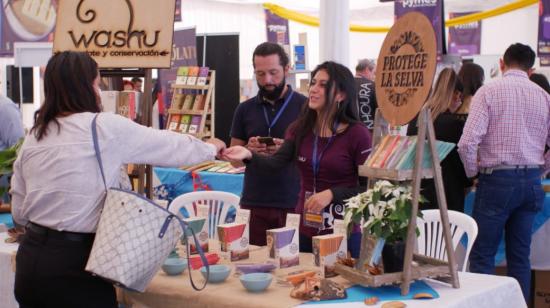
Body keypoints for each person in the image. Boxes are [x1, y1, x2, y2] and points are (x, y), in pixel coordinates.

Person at [10, 51, 226, 307]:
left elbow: (19, 212)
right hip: (77, 264)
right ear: (86, 86)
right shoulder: (103, 127)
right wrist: (211, 147)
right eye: (96, 82)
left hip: (32, 260)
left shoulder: (35, 136)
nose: (99, 89)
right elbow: (168, 145)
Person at [224, 61, 372, 256]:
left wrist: (332, 194)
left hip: (342, 232)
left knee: (340, 285)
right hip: (304, 230)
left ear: (341, 94)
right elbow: (275, 164)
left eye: (323, 85)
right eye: (313, 83)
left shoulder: (358, 135)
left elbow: (369, 189)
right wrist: (248, 155)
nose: (314, 89)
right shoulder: (299, 129)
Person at [458, 43, 550, 301]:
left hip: (496, 180)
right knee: (521, 255)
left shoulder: (488, 92)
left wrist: (472, 171)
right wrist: (541, 169)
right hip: (531, 182)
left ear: (501, 63)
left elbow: (467, 143)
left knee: (483, 254)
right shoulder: (544, 96)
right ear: (531, 70)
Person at [229, 42, 306, 246]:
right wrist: (247, 151)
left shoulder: (306, 107)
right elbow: (234, 163)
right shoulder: (244, 110)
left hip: (293, 201)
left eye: (273, 72)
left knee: (292, 267)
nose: (267, 80)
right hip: (254, 202)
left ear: (287, 69)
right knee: (251, 263)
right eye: (260, 74)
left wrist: (288, 150)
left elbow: (317, 158)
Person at [407, 68, 469, 212]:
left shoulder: (416, 119)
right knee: (446, 233)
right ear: (456, 95)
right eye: (459, 98)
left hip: (419, 190)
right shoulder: (453, 123)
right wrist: (471, 178)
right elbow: (458, 162)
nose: (459, 102)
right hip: (446, 192)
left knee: (423, 233)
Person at [354, 59, 377, 130]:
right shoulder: (373, 86)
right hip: (368, 131)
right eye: (373, 73)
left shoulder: (346, 84)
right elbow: (380, 110)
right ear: (367, 69)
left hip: (349, 131)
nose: (374, 77)